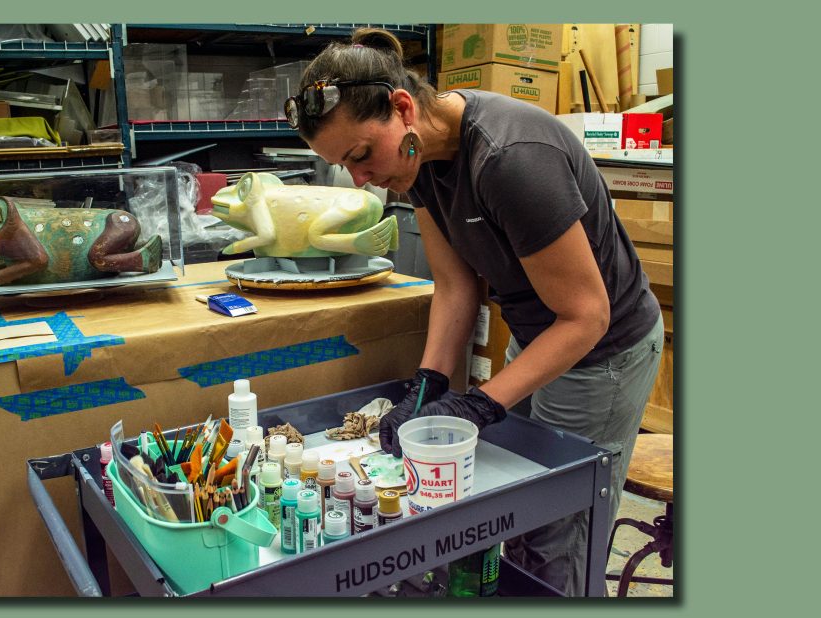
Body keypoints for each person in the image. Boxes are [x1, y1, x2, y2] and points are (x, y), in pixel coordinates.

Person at [284, 28, 664, 596]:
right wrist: (429, 383)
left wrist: (482, 401)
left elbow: (587, 317)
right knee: (518, 510)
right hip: (540, 337)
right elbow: (457, 286)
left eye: (361, 156)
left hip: (601, 355)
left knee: (559, 533)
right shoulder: (419, 160)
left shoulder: (511, 160)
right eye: (345, 167)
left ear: (403, 107)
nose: (361, 180)